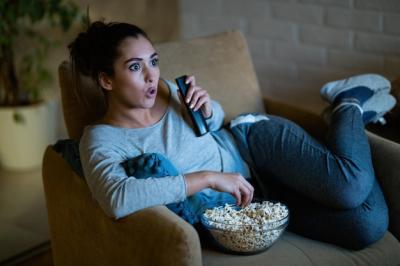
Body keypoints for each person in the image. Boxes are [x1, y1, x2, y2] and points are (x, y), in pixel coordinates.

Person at [68, 21, 396, 250]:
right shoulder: (100, 139)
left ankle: (347, 102)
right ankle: (353, 119)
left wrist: (208, 109)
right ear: (107, 80)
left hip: (253, 142)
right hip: (251, 201)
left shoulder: (166, 89)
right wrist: (209, 178)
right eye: (135, 67)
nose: (152, 75)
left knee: (350, 187)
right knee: (367, 225)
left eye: (153, 62)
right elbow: (117, 198)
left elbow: (218, 122)